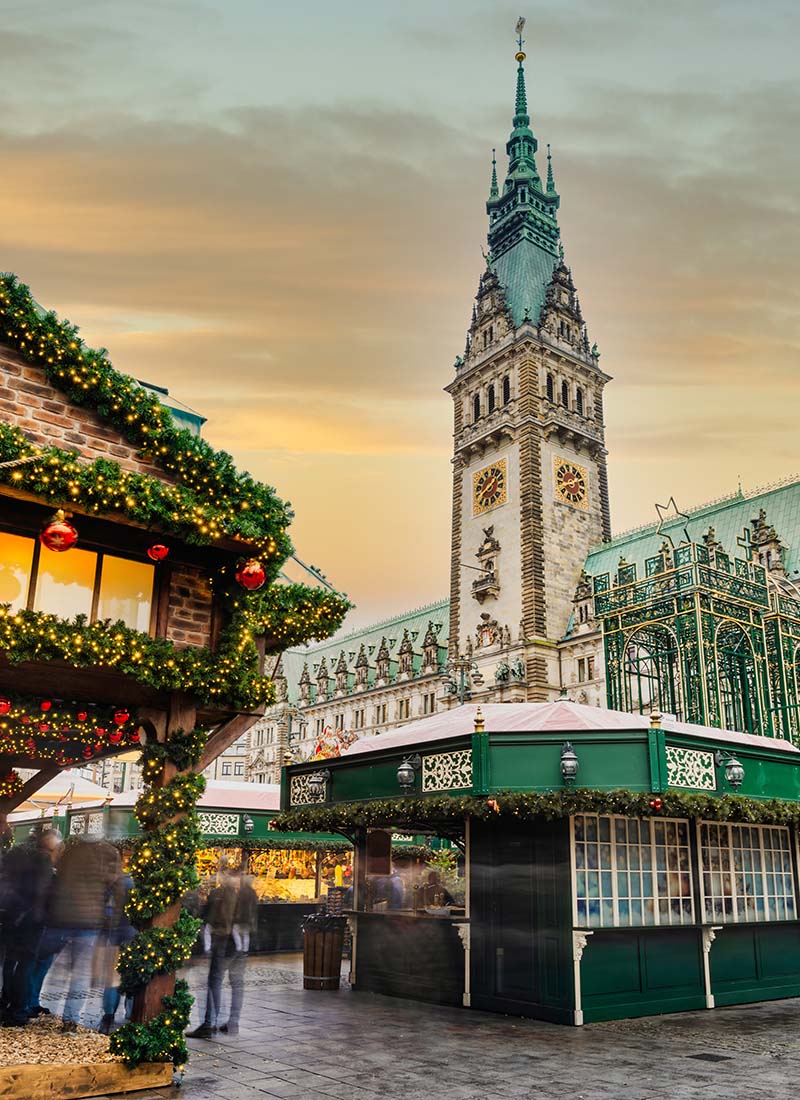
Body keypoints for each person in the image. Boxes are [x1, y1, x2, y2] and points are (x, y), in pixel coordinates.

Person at [40, 835, 121, 1031]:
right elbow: (113, 883)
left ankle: (37, 1005)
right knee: (81, 975)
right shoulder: (104, 856)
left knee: (54, 967)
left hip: (63, 919)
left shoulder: (69, 855)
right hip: (88, 923)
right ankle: (70, 1020)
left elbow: (58, 882)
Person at [0, 830, 60, 1028]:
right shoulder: (42, 862)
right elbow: (42, 894)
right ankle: (19, 1009)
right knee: (24, 966)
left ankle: (9, 1004)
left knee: (13, 964)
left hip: (15, 918)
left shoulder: (21, 862)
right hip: (31, 921)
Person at [186, 870, 237, 1039]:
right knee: (220, 982)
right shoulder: (234, 895)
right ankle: (223, 1021)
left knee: (213, 982)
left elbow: (207, 918)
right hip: (231, 943)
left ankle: (209, 1023)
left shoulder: (217, 894)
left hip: (219, 940)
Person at [97, 867, 136, 1034]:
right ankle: (130, 1013)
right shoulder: (133, 883)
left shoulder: (112, 886)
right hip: (132, 934)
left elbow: (104, 911)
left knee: (112, 979)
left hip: (114, 936)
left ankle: (109, 1015)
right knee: (132, 977)